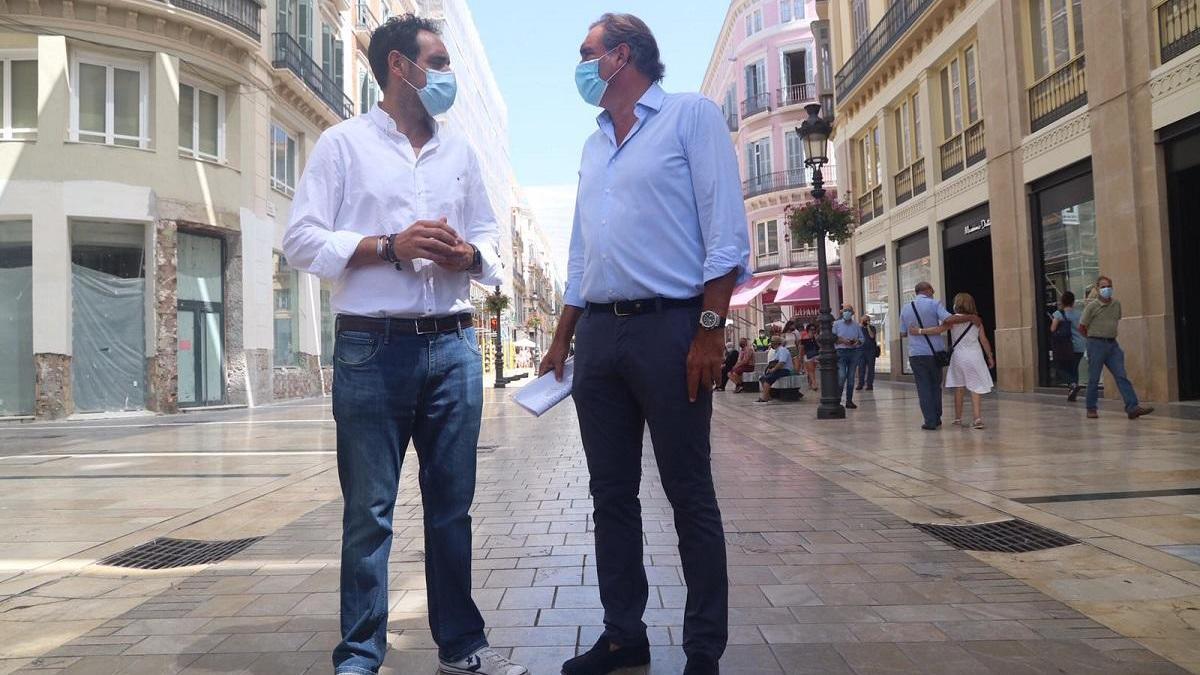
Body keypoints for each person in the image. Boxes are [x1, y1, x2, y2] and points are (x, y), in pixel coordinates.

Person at [281, 15, 527, 675]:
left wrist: (468, 252)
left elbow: (492, 244)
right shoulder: (341, 144)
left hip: (452, 346)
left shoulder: (462, 153)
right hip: (370, 347)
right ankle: (360, 653)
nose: (447, 76)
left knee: (453, 509)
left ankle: (461, 646)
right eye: (438, 63)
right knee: (369, 513)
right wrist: (388, 246)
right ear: (399, 66)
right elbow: (300, 239)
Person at [538, 14, 750, 675]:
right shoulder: (593, 144)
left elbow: (726, 233)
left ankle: (703, 648)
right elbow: (581, 250)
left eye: (586, 52)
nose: (578, 64)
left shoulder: (689, 116)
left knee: (689, 490)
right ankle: (623, 635)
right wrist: (562, 335)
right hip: (599, 335)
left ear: (621, 55)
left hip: (671, 326)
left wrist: (709, 331)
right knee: (611, 494)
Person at [901, 282, 981, 430]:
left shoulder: (905, 308)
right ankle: (936, 417)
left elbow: (903, 332)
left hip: (916, 354)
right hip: (934, 354)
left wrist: (917, 331)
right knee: (935, 386)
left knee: (923, 387)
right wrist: (971, 317)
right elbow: (949, 319)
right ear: (929, 290)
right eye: (932, 290)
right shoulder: (934, 303)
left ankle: (929, 420)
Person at [1079, 276, 1154, 420]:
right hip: (1096, 343)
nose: (1105, 289)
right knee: (1094, 378)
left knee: (1121, 376)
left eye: (1108, 286)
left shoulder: (1116, 304)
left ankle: (1132, 407)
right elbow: (1082, 327)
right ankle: (1091, 408)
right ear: (1097, 288)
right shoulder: (1092, 306)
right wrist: (1091, 339)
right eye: (1102, 287)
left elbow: (1116, 319)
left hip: (1112, 344)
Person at [918, 293, 994, 429]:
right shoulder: (976, 320)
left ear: (956, 304)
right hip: (975, 356)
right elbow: (983, 339)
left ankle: (958, 418)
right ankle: (977, 419)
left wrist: (919, 331)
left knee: (959, 387)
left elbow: (937, 330)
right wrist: (990, 356)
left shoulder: (951, 321)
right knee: (975, 387)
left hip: (959, 356)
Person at [1050, 291, 1085, 401]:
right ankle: (1072, 391)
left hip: (1065, 346)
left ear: (1062, 302)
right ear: (1073, 302)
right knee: (1074, 368)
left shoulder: (1058, 314)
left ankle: (1072, 384)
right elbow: (1083, 328)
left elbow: (1053, 328)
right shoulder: (1079, 314)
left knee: (1060, 366)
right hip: (1080, 345)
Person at [833, 304, 863, 409]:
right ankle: (837, 399)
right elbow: (832, 337)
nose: (847, 312)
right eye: (845, 310)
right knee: (841, 376)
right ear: (842, 312)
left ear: (852, 313)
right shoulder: (836, 324)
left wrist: (857, 341)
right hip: (841, 352)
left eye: (849, 311)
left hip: (853, 352)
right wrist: (842, 340)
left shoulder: (856, 325)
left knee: (851, 378)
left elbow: (862, 339)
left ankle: (849, 401)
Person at [757, 335, 795, 403]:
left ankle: (764, 398)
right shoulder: (777, 351)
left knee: (768, 379)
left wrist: (773, 369)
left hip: (785, 370)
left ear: (776, 343)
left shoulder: (782, 350)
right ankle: (768, 396)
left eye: (772, 342)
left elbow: (781, 363)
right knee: (763, 378)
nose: (771, 344)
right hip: (779, 369)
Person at [856, 314, 878, 391]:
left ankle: (869, 384)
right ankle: (860, 384)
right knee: (861, 368)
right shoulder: (858, 328)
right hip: (861, 350)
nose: (865, 321)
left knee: (871, 368)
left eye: (867, 320)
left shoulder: (872, 328)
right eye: (864, 320)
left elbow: (872, 336)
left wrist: (868, 326)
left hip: (871, 350)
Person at [800, 322, 819, 390]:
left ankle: (810, 383)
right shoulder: (804, 338)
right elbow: (802, 348)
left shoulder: (815, 337)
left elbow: (818, 346)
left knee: (812, 370)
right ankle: (814, 384)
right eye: (811, 329)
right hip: (807, 355)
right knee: (811, 370)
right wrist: (801, 357)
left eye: (814, 329)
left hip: (815, 355)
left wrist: (816, 339)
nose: (813, 330)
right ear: (808, 330)